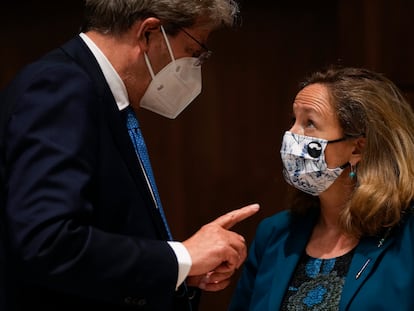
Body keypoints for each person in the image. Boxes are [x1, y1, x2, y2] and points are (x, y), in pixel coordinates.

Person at [0, 1, 261, 310]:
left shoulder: (97, 94)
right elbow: (48, 241)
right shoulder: (62, 86)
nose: (195, 66)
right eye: (194, 51)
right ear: (149, 33)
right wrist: (181, 257)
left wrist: (177, 273)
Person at [228, 66, 414, 310]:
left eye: (310, 123)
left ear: (357, 148)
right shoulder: (275, 234)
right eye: (293, 120)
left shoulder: (407, 235)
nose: (291, 134)